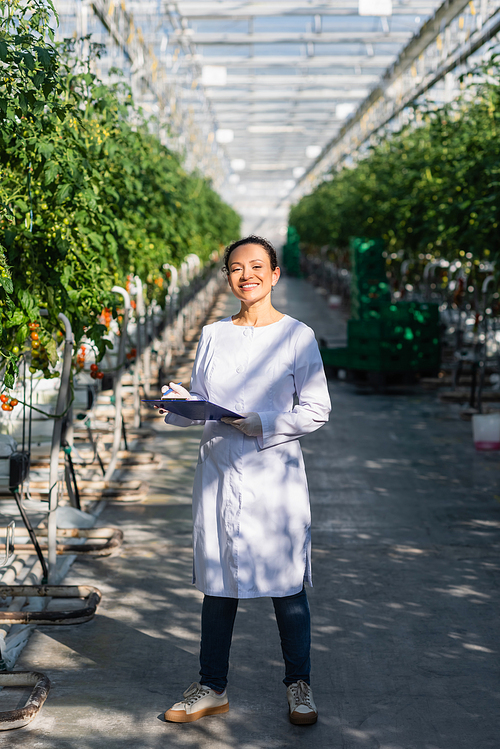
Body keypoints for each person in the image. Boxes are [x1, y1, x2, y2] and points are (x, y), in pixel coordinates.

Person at [159, 235, 331, 725]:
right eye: (236, 268)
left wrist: (263, 421)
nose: (246, 275)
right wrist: (180, 403)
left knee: (286, 587)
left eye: (257, 266)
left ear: (275, 274)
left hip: (273, 477)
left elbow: (317, 411)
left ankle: (300, 686)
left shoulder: (298, 336)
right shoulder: (213, 334)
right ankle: (211, 686)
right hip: (218, 473)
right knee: (220, 583)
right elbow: (203, 401)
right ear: (229, 277)